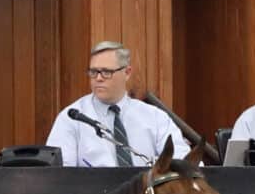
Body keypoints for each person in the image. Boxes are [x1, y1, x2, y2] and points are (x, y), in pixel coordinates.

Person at [46, 41, 189, 167]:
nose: (98, 78)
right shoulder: (72, 117)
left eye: (106, 72)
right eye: (94, 72)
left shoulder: (155, 118)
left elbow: (185, 162)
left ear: (127, 72)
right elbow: (59, 174)